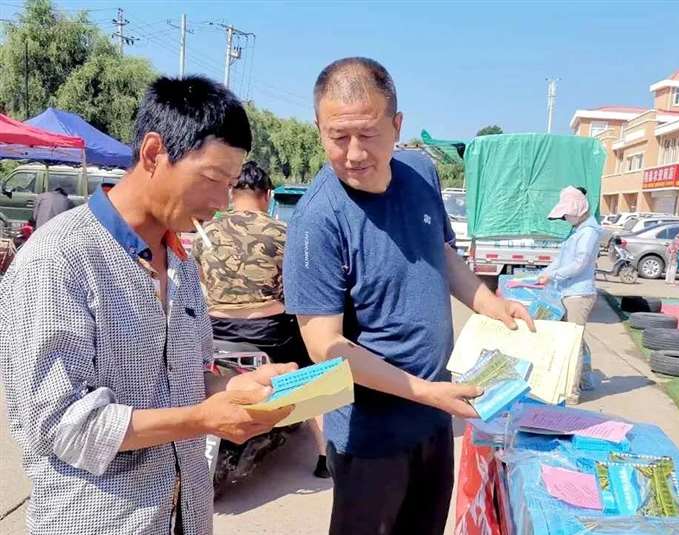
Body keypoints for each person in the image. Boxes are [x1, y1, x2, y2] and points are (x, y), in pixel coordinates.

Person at [0, 76, 295, 535]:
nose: (221, 202)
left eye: (230, 184)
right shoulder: (58, 259)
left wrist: (237, 387)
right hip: (99, 520)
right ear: (155, 153)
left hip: (185, 514)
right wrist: (201, 420)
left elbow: (185, 378)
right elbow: (62, 424)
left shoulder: (181, 261)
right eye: (212, 179)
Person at [283, 57, 534, 535]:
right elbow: (323, 345)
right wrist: (426, 391)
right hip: (371, 438)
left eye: (368, 134)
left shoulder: (420, 173)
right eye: (338, 137)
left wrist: (490, 303)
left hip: (435, 419)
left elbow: (440, 250)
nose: (354, 153)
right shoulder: (317, 220)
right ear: (319, 129)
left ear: (397, 126)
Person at [192, 160, 330, 478]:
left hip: (216, 330)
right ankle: (325, 456)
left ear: (231, 192)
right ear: (267, 195)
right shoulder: (284, 232)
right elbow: (298, 285)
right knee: (311, 375)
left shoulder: (205, 232)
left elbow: (201, 279)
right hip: (270, 332)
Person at [536, 186, 603, 403]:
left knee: (572, 343)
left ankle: (571, 392)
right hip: (567, 291)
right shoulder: (577, 230)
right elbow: (561, 259)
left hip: (579, 294)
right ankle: (585, 379)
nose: (565, 218)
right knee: (576, 339)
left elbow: (580, 263)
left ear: (578, 209)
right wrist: (544, 273)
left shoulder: (589, 232)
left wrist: (552, 275)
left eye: (566, 214)